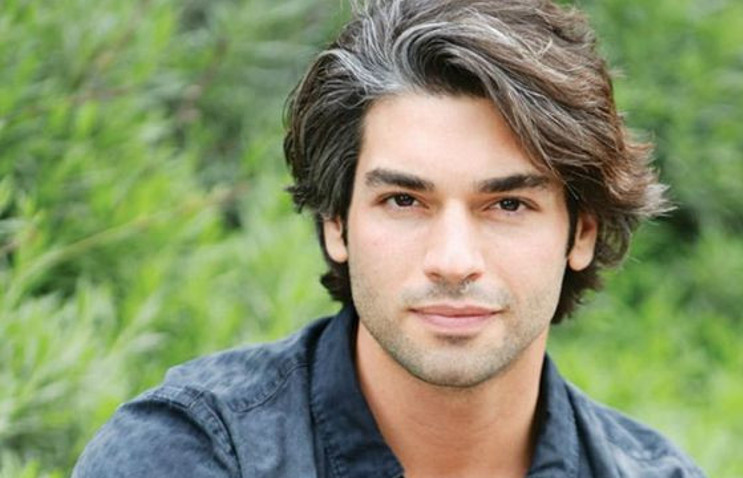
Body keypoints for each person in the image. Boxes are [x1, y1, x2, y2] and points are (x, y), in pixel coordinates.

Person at [74, 0, 705, 476]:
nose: (453, 261)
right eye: (404, 201)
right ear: (337, 221)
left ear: (581, 231)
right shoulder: (189, 455)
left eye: (508, 204)